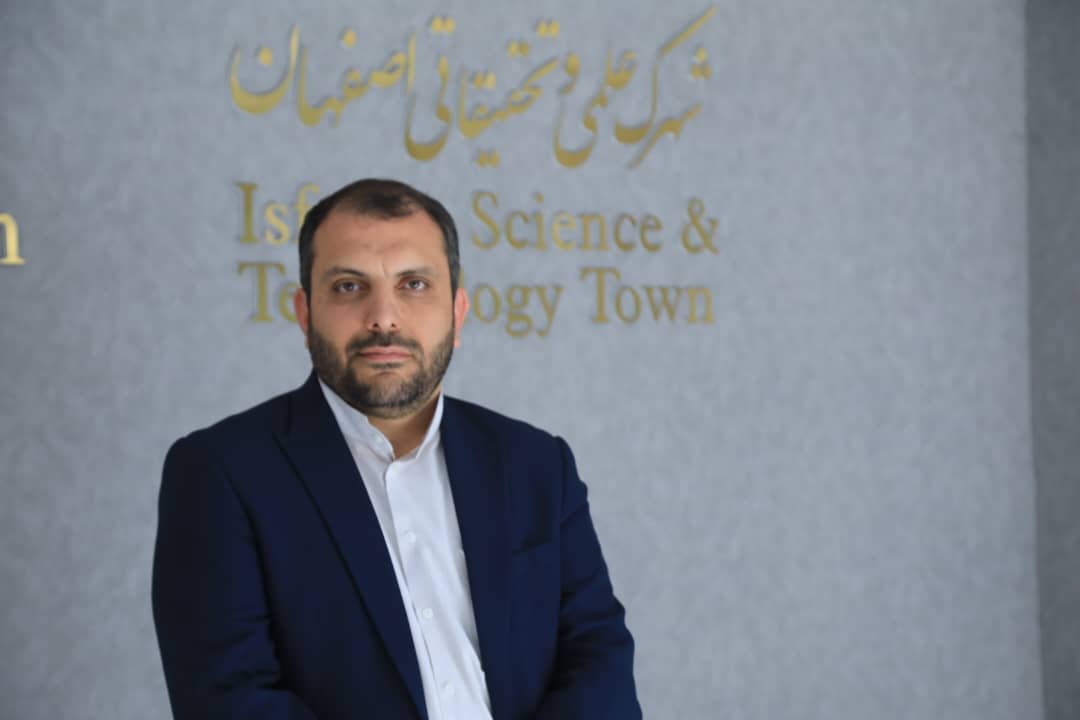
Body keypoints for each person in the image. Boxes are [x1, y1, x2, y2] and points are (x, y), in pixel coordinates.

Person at [151, 178, 642, 720]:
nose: (383, 317)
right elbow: (230, 701)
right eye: (348, 286)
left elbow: (600, 666)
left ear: (457, 313)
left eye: (414, 284)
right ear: (305, 314)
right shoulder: (221, 474)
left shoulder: (537, 465)